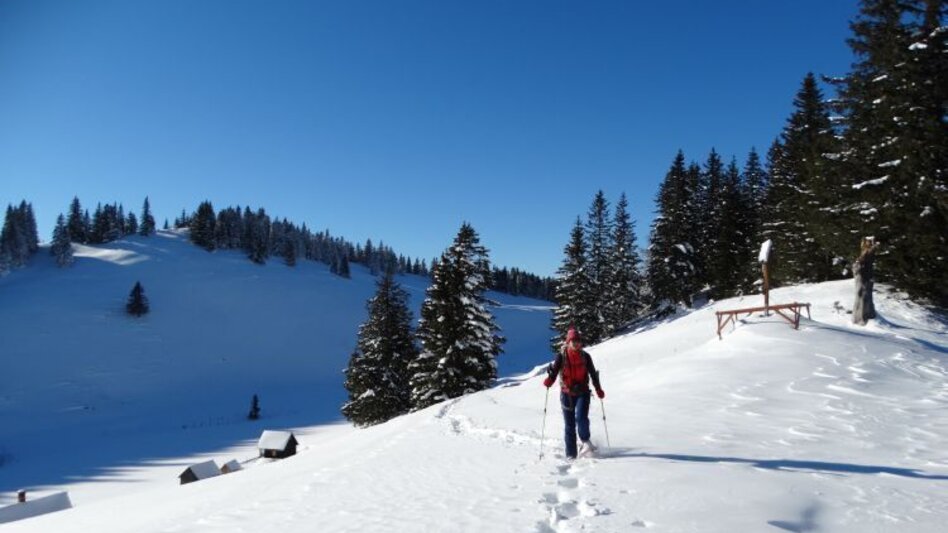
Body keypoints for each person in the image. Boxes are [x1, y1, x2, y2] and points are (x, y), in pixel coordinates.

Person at [543, 326, 605, 459]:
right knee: (569, 425)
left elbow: (593, 374)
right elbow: (554, 371)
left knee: (581, 418)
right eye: (573, 341)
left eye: (578, 341)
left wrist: (598, 389)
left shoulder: (586, 356)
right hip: (566, 394)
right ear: (568, 342)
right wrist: (549, 380)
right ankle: (571, 455)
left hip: (583, 392)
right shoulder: (561, 356)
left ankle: (585, 441)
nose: (576, 343)